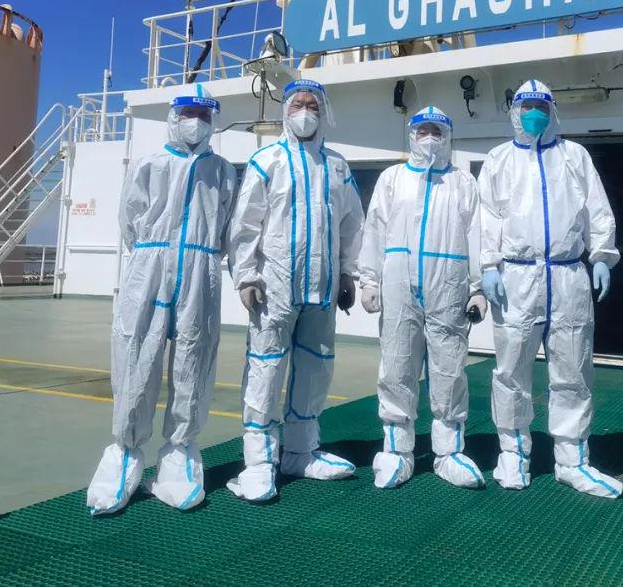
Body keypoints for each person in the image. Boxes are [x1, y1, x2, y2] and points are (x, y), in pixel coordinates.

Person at [87, 89, 236, 514]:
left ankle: (179, 457)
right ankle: (124, 456)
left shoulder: (223, 171)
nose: (196, 121)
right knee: (136, 357)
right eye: (188, 112)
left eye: (203, 114)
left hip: (201, 270)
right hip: (149, 267)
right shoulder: (148, 164)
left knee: (194, 360)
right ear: (174, 117)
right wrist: (155, 255)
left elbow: (227, 225)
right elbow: (130, 222)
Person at [478, 79, 623, 498]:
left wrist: (601, 256)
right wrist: (488, 265)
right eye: (526, 106)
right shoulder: (499, 159)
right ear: (515, 111)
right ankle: (512, 454)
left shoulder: (574, 156)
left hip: (567, 275)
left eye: (541, 106)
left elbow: (597, 209)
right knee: (511, 371)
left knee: (573, 369)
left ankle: (572, 461)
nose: (534, 113)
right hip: (515, 277)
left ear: (552, 110)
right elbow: (486, 217)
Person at [228, 79, 364, 502]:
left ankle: (301, 452)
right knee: (266, 370)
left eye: (313, 106)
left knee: (315, 369)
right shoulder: (266, 160)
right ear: (285, 112)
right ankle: (258, 461)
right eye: (298, 105)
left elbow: (351, 224)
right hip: (274, 288)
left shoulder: (337, 166)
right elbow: (245, 224)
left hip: (322, 289)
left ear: (323, 113)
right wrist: (246, 276)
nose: (305, 112)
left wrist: (347, 273)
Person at [359, 107, 488, 489]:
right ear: (412, 135)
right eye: (422, 130)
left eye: (437, 131)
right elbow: (375, 228)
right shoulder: (393, 179)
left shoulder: (462, 182)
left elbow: (477, 235)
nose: (429, 137)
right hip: (399, 285)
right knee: (397, 365)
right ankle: (397, 451)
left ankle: (449, 452)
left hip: (448, 285)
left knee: (450, 367)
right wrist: (369, 279)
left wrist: (478, 287)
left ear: (448, 136)